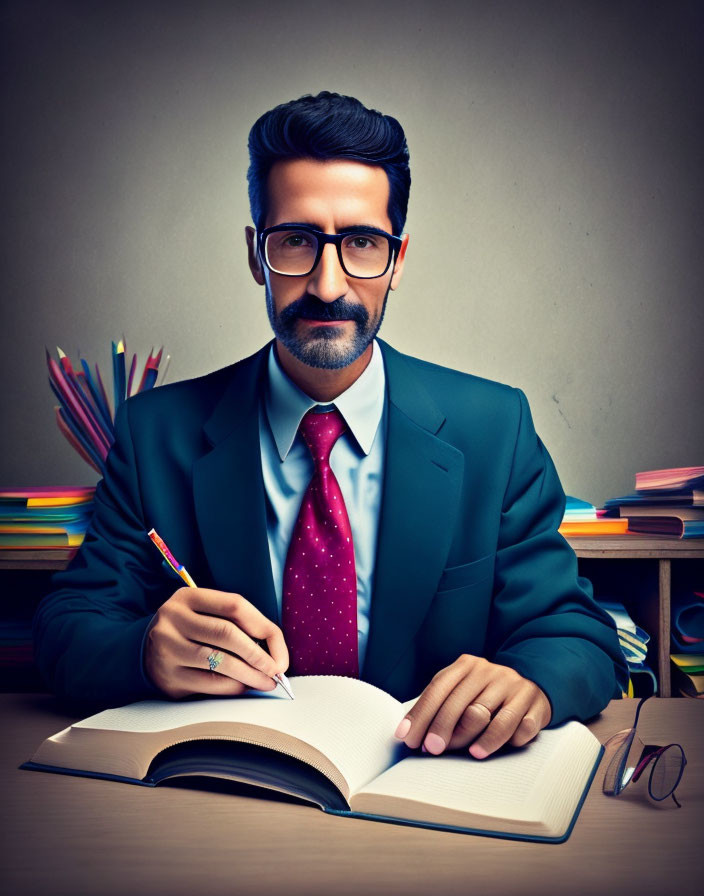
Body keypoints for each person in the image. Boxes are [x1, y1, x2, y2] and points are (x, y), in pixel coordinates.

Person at [34, 91, 627, 761]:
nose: (326, 283)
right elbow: (65, 631)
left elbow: (577, 635)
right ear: (257, 254)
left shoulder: (495, 429)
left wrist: (528, 682)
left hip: (433, 799)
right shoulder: (154, 435)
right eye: (296, 242)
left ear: (397, 260)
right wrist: (143, 650)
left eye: (362, 243)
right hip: (226, 796)